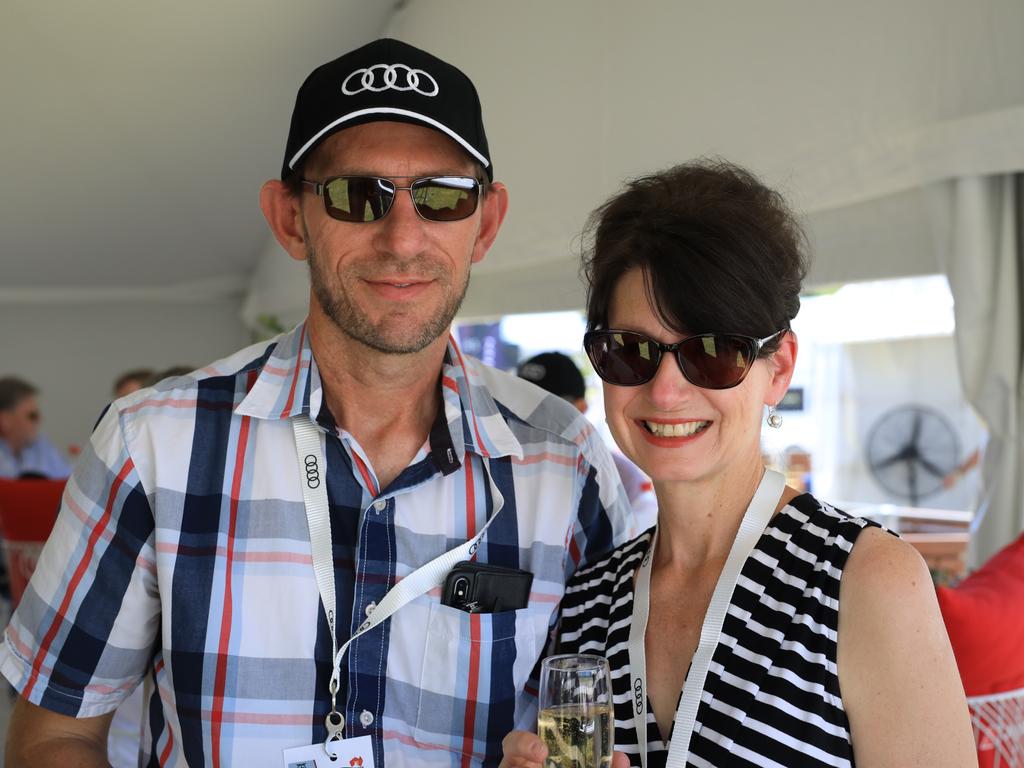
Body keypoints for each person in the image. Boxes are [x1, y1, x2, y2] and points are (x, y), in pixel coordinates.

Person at [2, 38, 632, 767]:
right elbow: (56, 731)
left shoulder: (564, 463)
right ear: (291, 219)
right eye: (356, 196)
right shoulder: (153, 444)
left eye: (442, 196)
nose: (402, 238)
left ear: (485, 223)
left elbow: (595, 725)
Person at [502, 161, 976, 767]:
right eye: (631, 352)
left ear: (777, 368)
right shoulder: (589, 605)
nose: (666, 391)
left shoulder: (866, 581)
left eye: (713, 352)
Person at [517, 351, 657, 531]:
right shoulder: (493, 464)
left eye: (547, 407)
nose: (528, 416)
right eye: (519, 403)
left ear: (580, 408)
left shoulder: (621, 476)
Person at [0, 377, 71, 480]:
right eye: (32, 415)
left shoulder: (42, 446)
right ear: (5, 420)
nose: (40, 419)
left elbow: (68, 483)